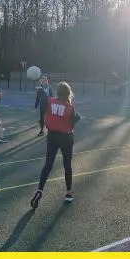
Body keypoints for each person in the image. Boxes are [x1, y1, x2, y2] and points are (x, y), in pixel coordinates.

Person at [30, 81, 81, 210]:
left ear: (57, 92)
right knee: (67, 165)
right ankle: (68, 193)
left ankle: (40, 190)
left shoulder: (50, 102)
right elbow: (76, 119)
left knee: (48, 165)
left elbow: (43, 98)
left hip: (52, 136)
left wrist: (41, 90)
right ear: (68, 93)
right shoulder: (70, 108)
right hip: (66, 138)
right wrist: (69, 106)